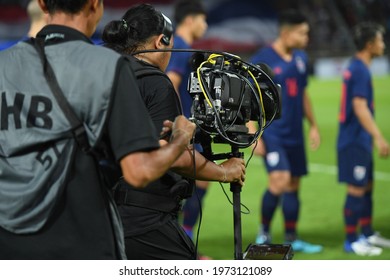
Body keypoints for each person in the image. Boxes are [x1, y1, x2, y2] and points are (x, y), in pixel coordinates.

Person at [0, 0, 196, 259]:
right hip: (78, 238)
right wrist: (181, 137)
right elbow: (139, 171)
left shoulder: (5, 63)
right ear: (96, 5)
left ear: (43, 4)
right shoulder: (109, 66)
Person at [102, 3, 245, 260]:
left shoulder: (103, 72)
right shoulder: (155, 81)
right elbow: (175, 156)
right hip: (143, 221)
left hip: (98, 217)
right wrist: (226, 171)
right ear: (160, 42)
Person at [247, 10, 322, 254]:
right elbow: (250, 97)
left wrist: (313, 125)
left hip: (295, 133)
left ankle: (292, 236)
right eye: (302, 33)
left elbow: (303, 94)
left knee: (293, 184)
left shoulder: (300, 58)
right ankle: (264, 233)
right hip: (274, 132)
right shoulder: (263, 59)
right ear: (287, 33)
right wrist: (253, 133)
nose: (306, 37)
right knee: (278, 181)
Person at [337, 22, 390, 256]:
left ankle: (367, 233)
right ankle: (351, 240)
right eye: (380, 40)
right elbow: (359, 106)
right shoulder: (359, 69)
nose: (383, 44)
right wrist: (379, 137)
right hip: (353, 140)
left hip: (359, 139)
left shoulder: (359, 66)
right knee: (356, 189)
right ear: (370, 45)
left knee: (367, 186)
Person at [165, 0, 209, 249]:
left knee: (198, 180)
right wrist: (179, 124)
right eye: (203, 20)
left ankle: (183, 236)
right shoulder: (181, 48)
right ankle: (183, 237)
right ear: (190, 20)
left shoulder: (179, 46)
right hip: (182, 129)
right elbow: (171, 83)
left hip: (183, 127)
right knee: (195, 180)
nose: (206, 25)